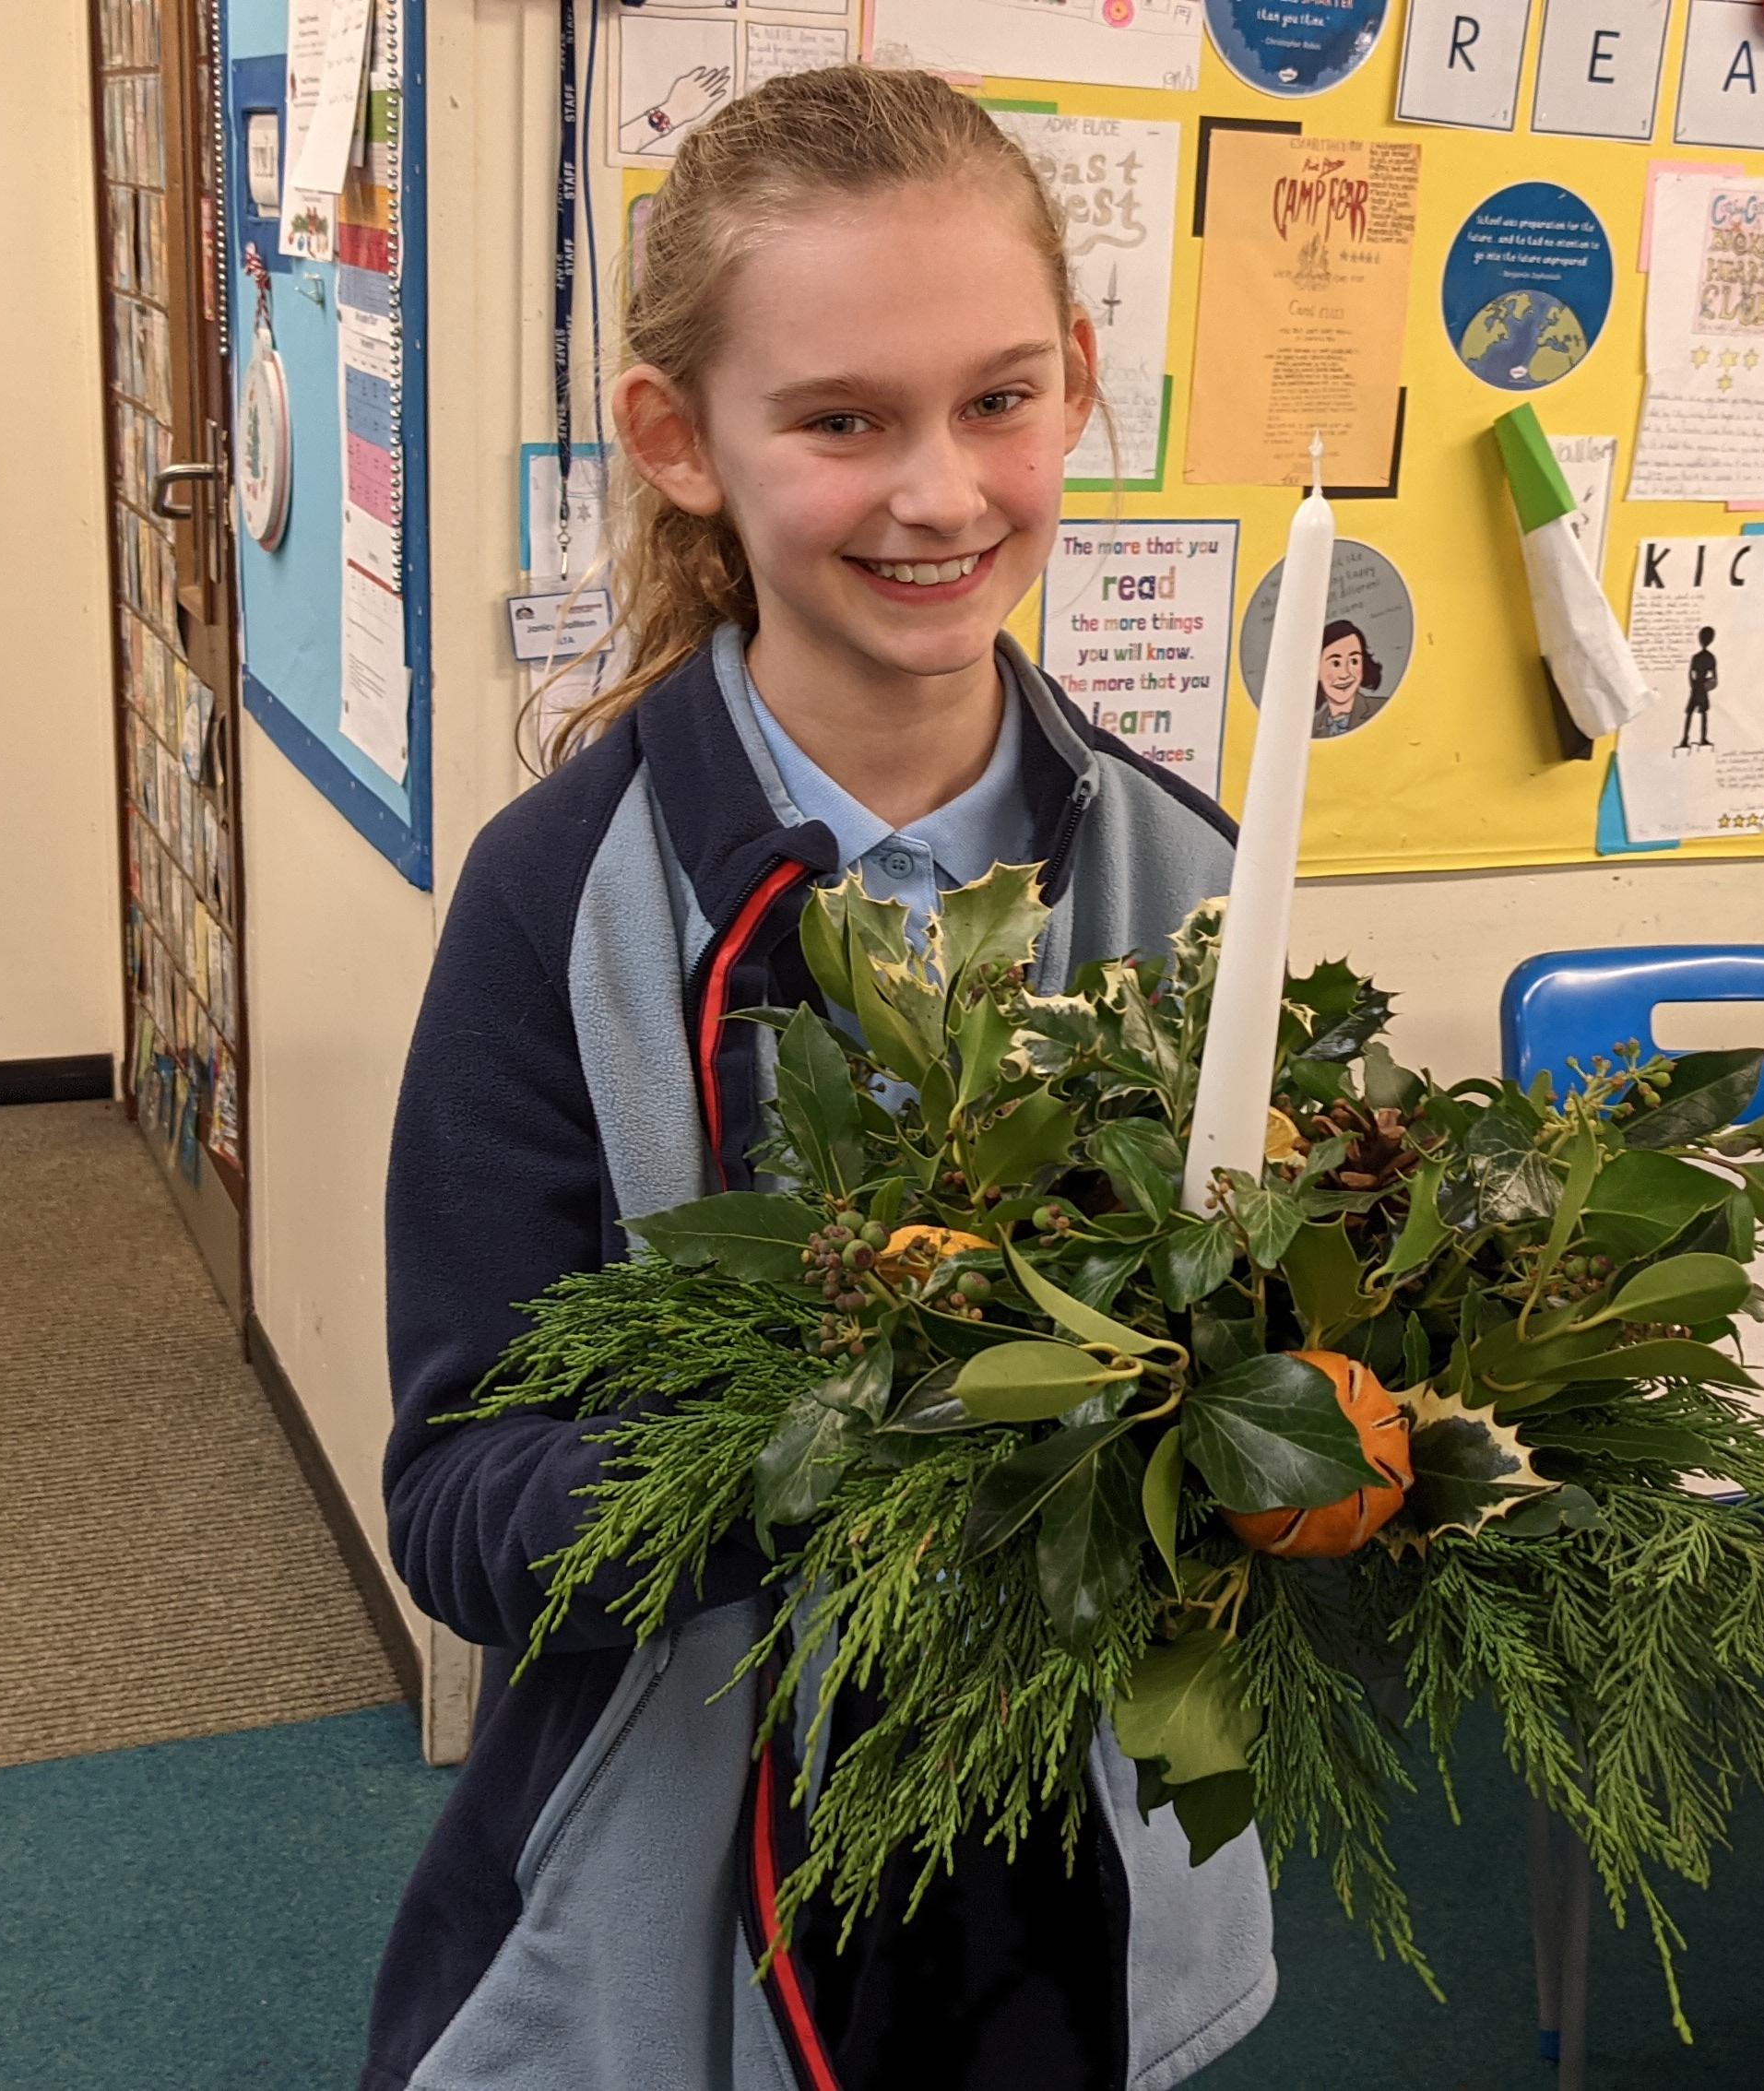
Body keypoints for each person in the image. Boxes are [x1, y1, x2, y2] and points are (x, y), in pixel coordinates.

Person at [367, 65, 1265, 2091]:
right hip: (679, 1883)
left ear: (1078, 381)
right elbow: (452, 1499)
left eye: (998, 399)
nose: (939, 493)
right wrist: (830, 1452)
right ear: (678, 439)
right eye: (843, 420)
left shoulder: (1197, 885)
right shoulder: (557, 903)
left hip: (1077, 1870)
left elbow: (1263, 1391)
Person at [1311, 618, 1387, 736]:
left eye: (1354, 661)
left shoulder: (1384, 709)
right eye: (1335, 663)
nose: (1345, 674)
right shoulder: (1310, 730)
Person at [1678, 625, 1719, 749]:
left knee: (1691, 713)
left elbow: (1691, 674)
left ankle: (1686, 739)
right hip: (1701, 688)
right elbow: (1714, 677)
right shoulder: (1710, 657)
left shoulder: (1697, 657)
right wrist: (1706, 685)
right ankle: (1700, 738)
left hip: (1697, 687)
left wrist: (1694, 685)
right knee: (1701, 713)